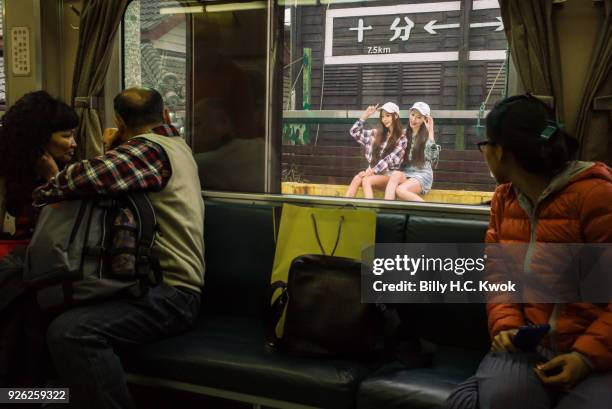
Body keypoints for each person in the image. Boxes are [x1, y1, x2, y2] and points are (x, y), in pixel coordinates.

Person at [31, 87, 205, 409]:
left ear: (118, 121)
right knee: (40, 310)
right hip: (153, 285)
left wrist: (48, 183)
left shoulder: (149, 152)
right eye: (65, 136)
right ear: (165, 115)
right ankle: (45, 398)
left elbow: (78, 180)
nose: (72, 143)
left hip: (171, 293)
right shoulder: (176, 146)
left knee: (69, 332)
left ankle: (29, 396)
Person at [443, 94, 612, 409]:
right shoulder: (504, 200)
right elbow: (498, 277)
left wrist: (585, 357)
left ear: (500, 152)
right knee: (505, 399)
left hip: (593, 349)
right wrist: (508, 329)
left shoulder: (595, 197)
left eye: (485, 146)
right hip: (528, 347)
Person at [0, 90, 78, 239]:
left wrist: (54, 177)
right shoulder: (7, 173)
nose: (74, 143)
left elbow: (68, 231)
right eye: (67, 136)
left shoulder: (71, 173)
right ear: (40, 138)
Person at [345, 102, 407, 198]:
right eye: (382, 116)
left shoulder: (402, 138)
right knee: (357, 178)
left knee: (366, 180)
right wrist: (365, 115)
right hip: (373, 172)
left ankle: (371, 210)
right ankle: (345, 207)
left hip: (390, 176)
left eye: (388, 116)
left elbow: (389, 160)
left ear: (396, 116)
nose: (384, 119)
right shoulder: (376, 133)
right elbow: (354, 132)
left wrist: (371, 171)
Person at [384, 102, 436, 201]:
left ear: (425, 120)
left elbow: (433, 158)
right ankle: (386, 211)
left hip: (422, 175)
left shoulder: (427, 136)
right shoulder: (403, 134)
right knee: (395, 175)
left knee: (400, 190)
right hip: (407, 173)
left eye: (418, 117)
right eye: (412, 115)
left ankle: (429, 211)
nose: (414, 119)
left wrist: (431, 132)